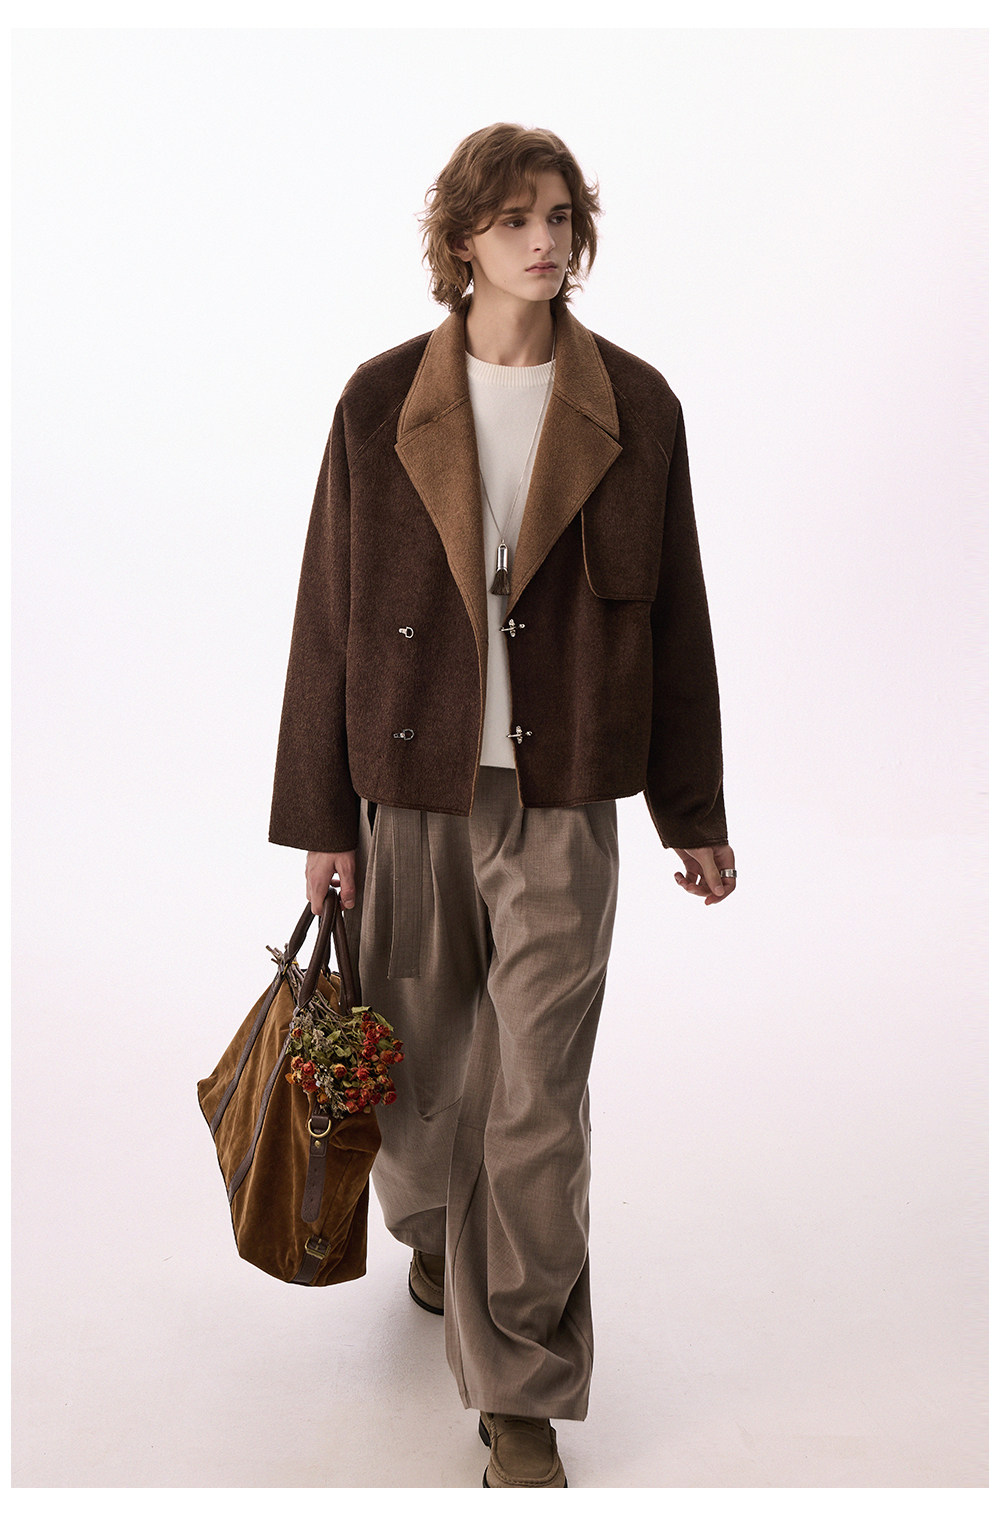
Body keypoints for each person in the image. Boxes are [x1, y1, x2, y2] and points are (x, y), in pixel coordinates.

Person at [269, 122, 736, 1489]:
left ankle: (520, 1382)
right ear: (462, 239)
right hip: (407, 794)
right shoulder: (379, 403)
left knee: (538, 1098)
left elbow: (683, 620)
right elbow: (324, 619)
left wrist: (693, 809)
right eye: (516, 218)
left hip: (564, 799)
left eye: (561, 217)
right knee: (421, 1098)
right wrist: (323, 820)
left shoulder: (635, 405)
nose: (545, 241)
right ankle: (432, 1236)